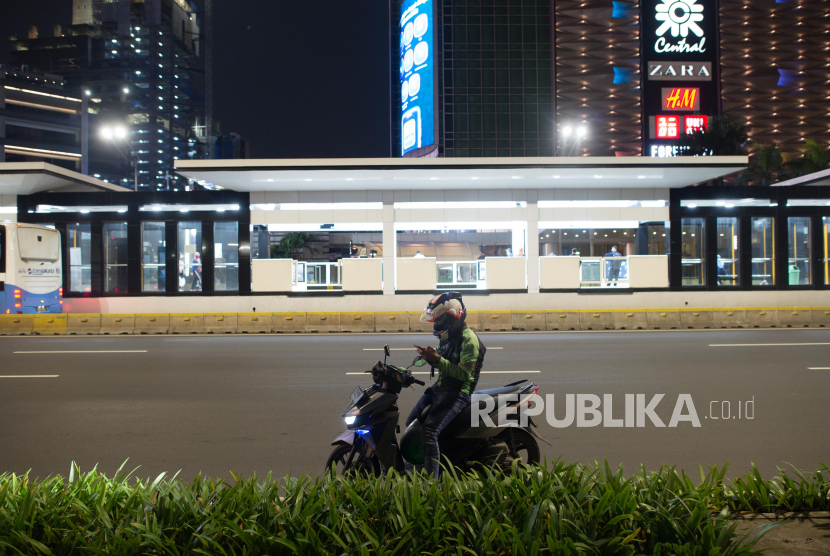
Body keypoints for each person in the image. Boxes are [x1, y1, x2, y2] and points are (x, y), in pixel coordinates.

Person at [408, 292, 486, 478]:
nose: (436, 326)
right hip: (440, 388)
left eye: (440, 321)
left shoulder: (469, 340)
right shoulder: (449, 337)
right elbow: (442, 356)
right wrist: (428, 356)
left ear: (453, 319)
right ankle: (417, 465)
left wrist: (437, 360)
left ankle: (431, 483)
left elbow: (464, 375)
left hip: (458, 393)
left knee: (429, 432)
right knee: (412, 422)